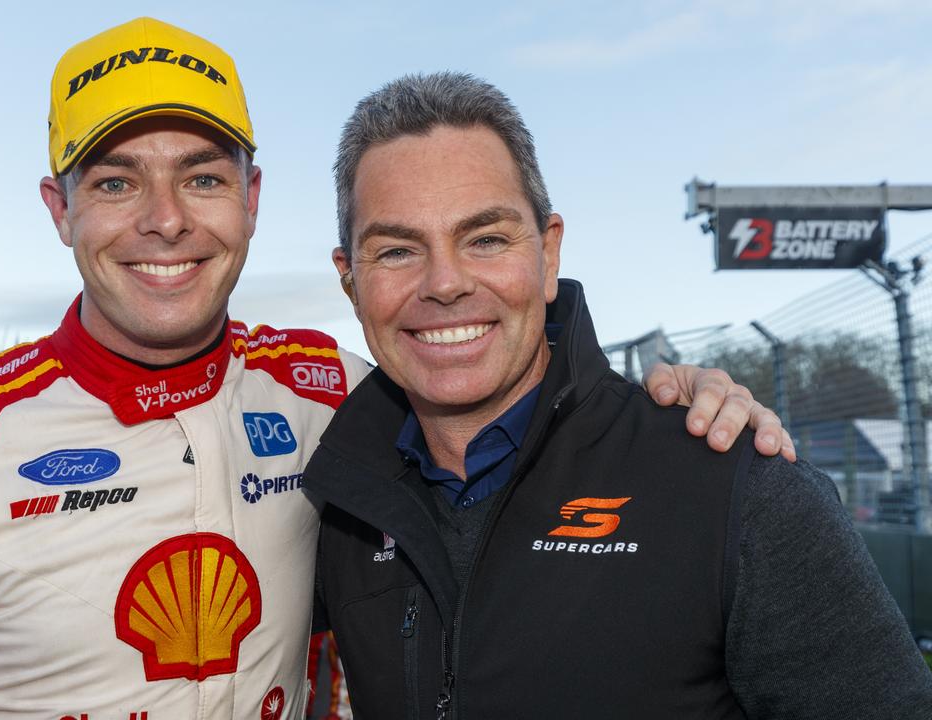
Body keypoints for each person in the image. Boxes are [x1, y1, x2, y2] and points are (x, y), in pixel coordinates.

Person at [0, 20, 789, 720]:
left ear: (252, 202)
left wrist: (673, 401)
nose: (165, 220)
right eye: (116, 182)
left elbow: (504, 408)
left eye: (203, 177)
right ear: (57, 210)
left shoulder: (326, 389)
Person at [306, 72, 932, 719]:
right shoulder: (336, 500)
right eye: (397, 250)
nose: (444, 284)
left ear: (548, 255)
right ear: (350, 282)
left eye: (485, 239)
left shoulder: (737, 488)